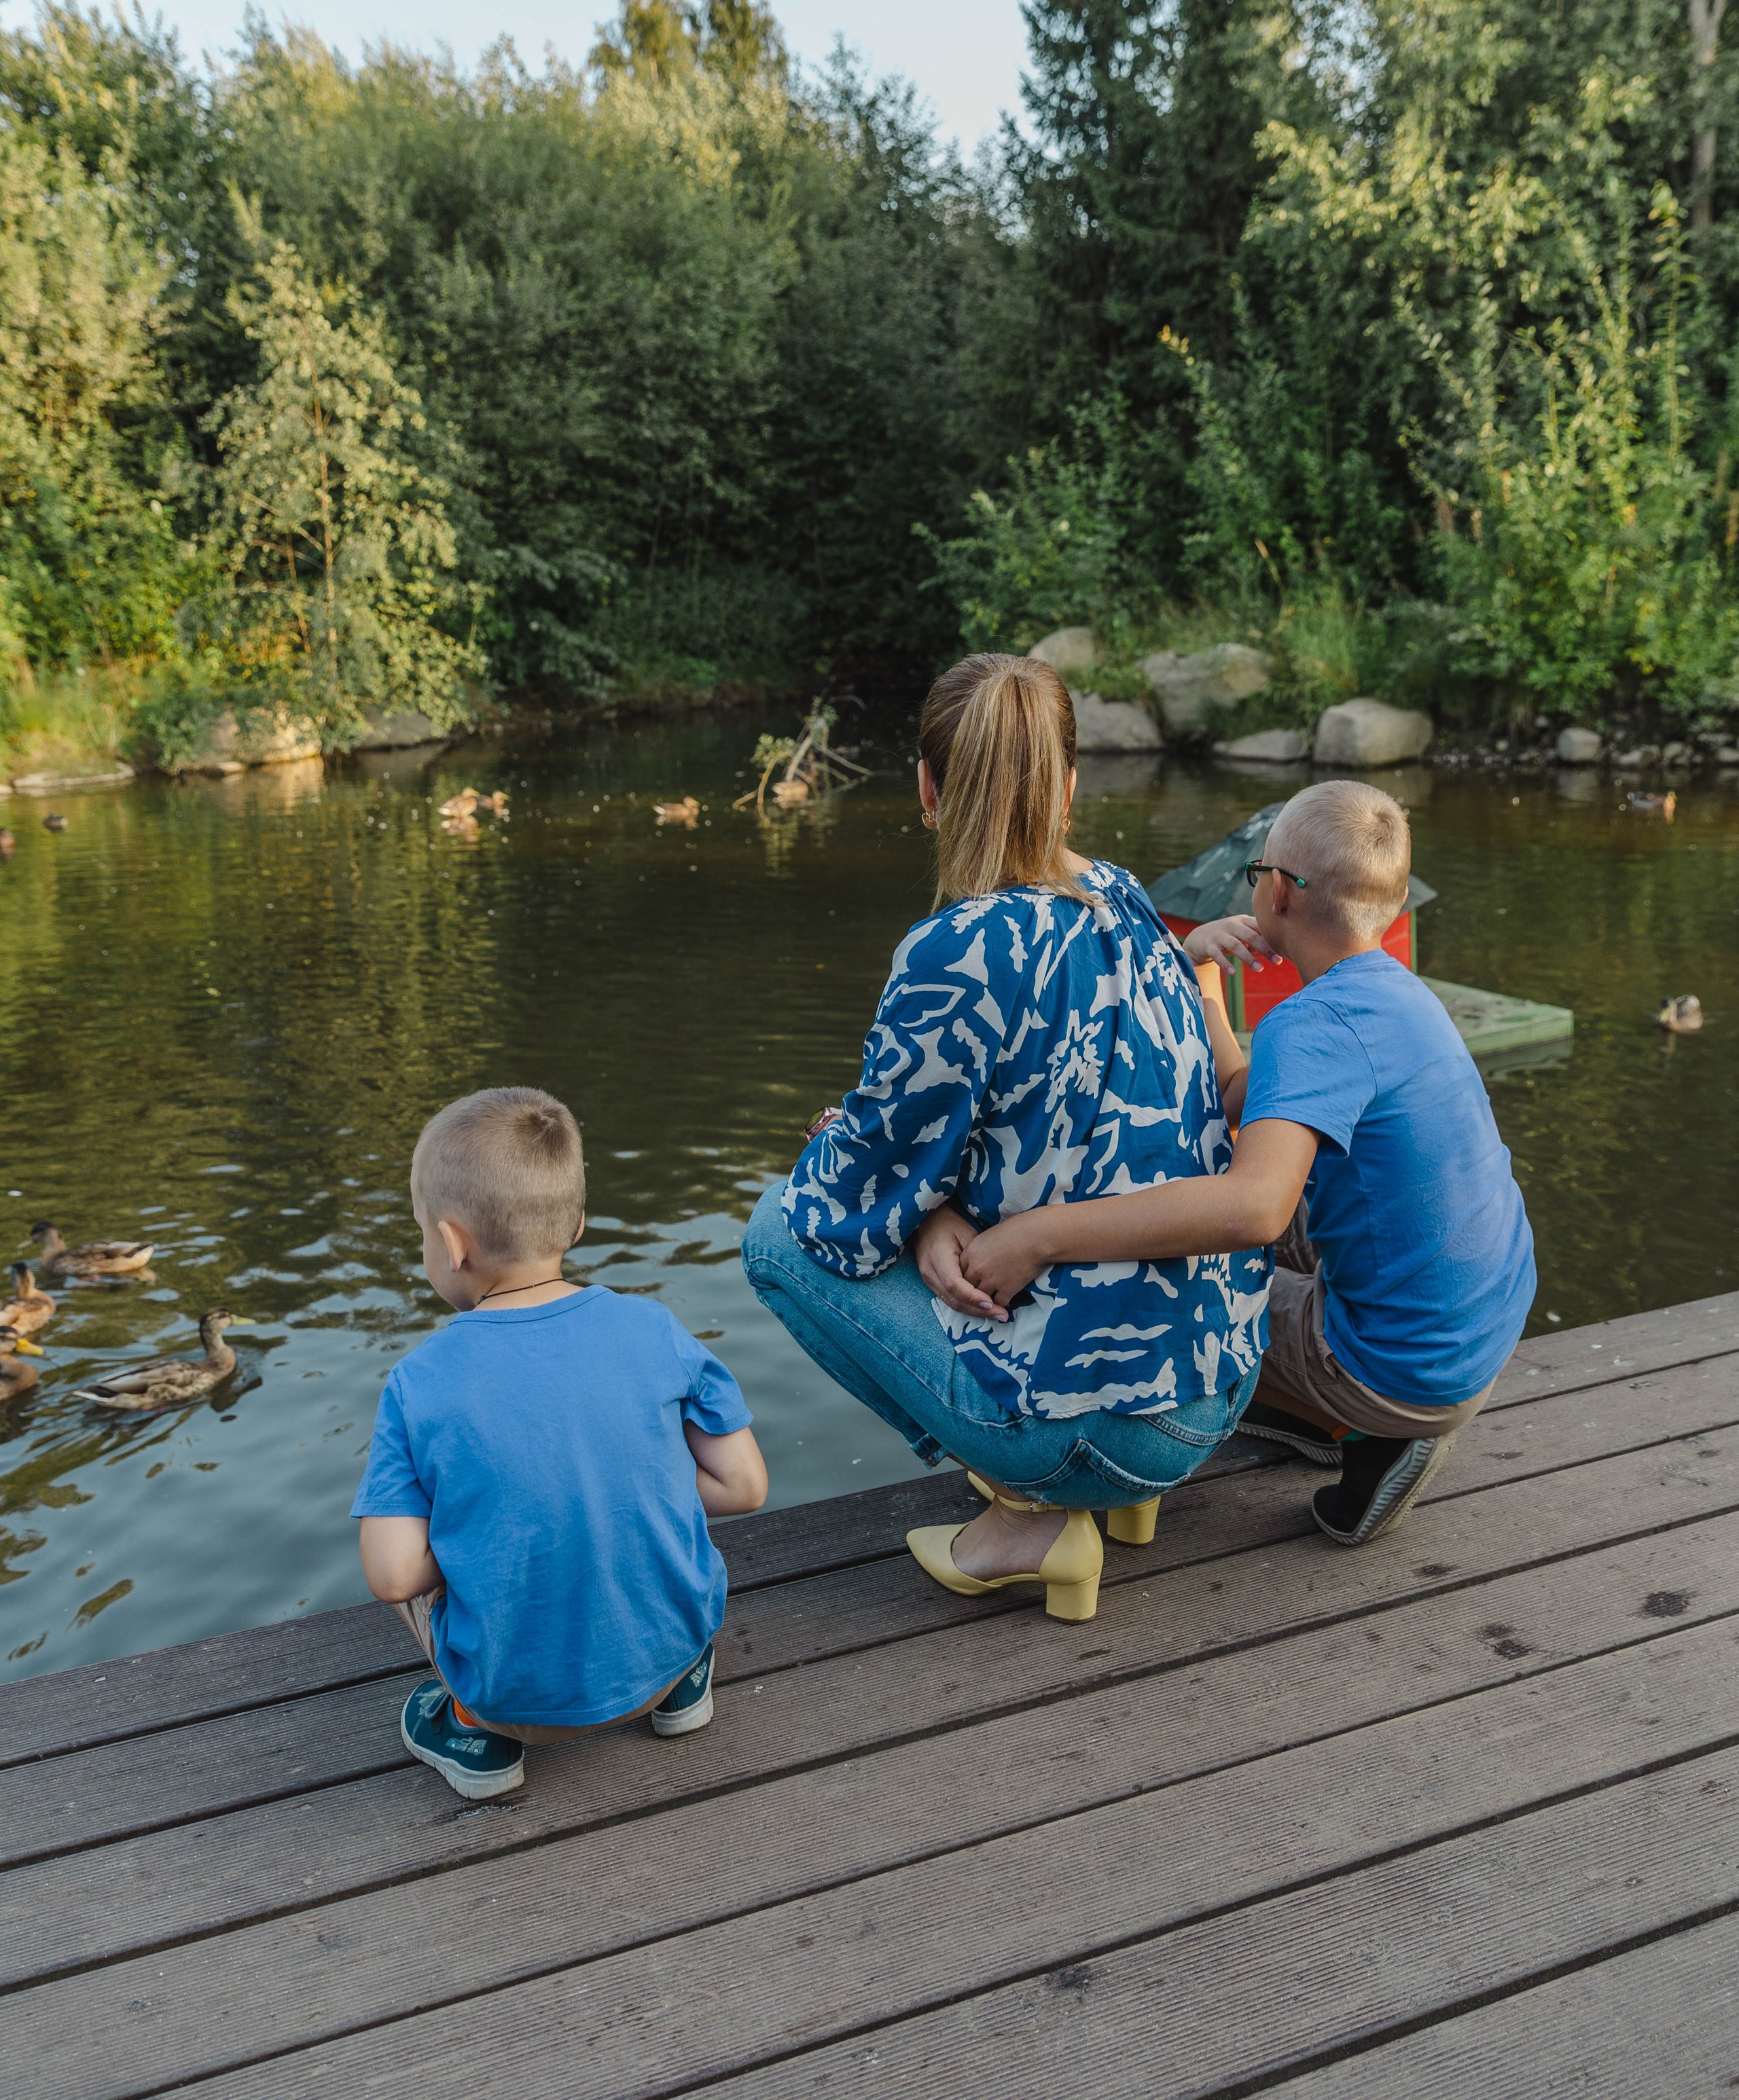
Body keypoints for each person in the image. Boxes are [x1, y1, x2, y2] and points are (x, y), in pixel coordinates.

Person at [742, 653, 1271, 1625]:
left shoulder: (958, 950)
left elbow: (844, 1205)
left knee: (776, 1231)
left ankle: (1031, 1507)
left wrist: (893, 1188)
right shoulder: (1128, 901)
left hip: (1096, 1432)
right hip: (1218, 1390)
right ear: (1071, 789)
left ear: (928, 790)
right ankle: (1123, 1503)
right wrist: (936, 1207)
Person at [959, 780, 1537, 1548]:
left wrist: (1040, 1234)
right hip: (1480, 1319)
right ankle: (1331, 1417)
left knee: (1161, 1293)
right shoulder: (1393, 994)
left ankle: (1366, 1429)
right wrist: (1203, 975)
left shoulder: (1312, 1021)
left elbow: (1257, 1208)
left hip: (1406, 1365)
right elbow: (1242, 1097)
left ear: (1276, 891)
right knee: (1228, 1196)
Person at [353, 1085, 768, 1799]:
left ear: (452, 1243)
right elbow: (744, 1486)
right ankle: (681, 1690)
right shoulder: (654, 1328)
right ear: (575, 1223)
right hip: (670, 1649)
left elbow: (392, 1576)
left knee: (405, 1533)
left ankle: (475, 1734)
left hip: (515, 1700)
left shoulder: (420, 1380)